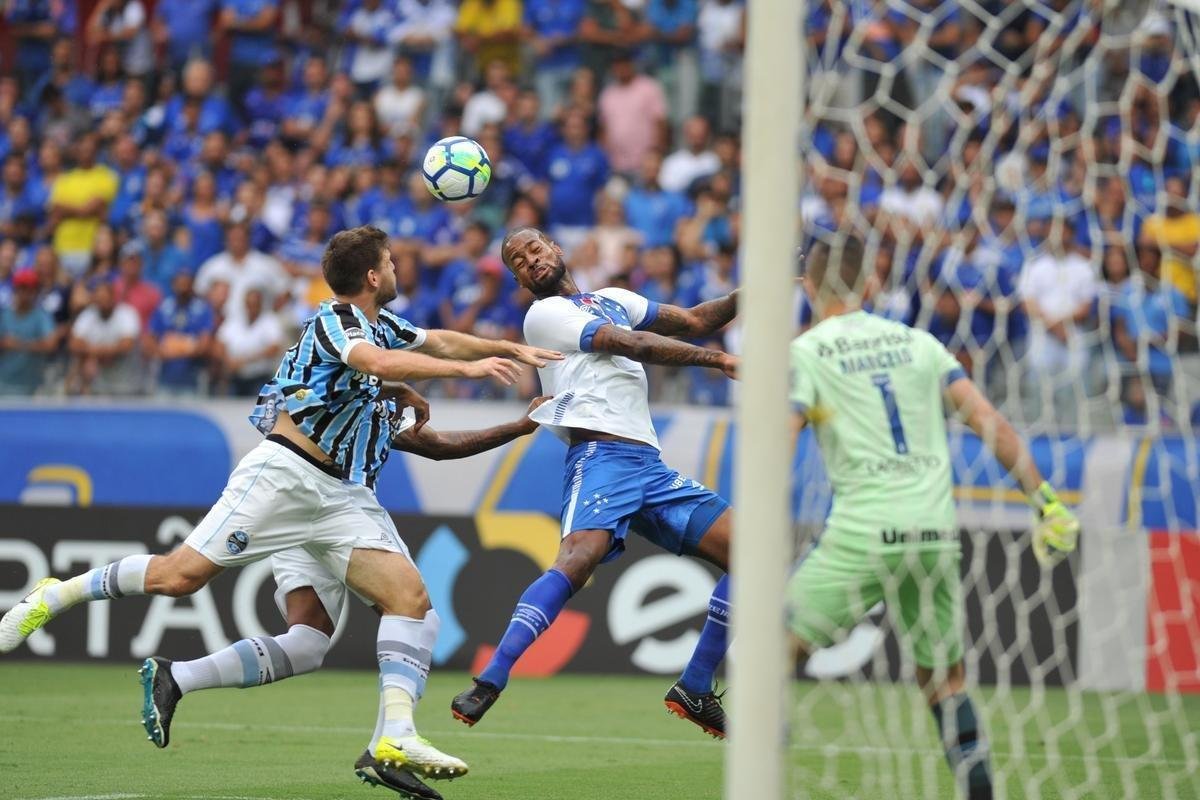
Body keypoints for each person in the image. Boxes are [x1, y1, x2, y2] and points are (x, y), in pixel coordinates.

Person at [0, 226, 559, 789]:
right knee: (180, 577)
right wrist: (465, 373)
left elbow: (435, 343)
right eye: (389, 262)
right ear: (371, 276)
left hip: (343, 498)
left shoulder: (383, 329)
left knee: (390, 609)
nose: (396, 270)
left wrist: (508, 349)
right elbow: (381, 364)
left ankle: (389, 740)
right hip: (285, 477)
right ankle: (57, 593)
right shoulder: (336, 321)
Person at [139, 392, 551, 800]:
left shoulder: (354, 378)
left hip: (295, 506)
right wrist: (481, 378)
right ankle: (387, 748)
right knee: (417, 615)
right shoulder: (350, 367)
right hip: (334, 506)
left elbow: (435, 445)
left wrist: (518, 427)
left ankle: (177, 677)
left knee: (306, 643)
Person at [786, 237, 1081, 800]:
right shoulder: (920, 344)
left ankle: (761, 774)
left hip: (863, 532)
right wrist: (1045, 500)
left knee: (766, 653)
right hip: (934, 532)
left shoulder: (807, 351)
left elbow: (785, 432)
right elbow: (986, 418)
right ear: (870, 284)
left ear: (809, 290)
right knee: (944, 679)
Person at [449, 226, 740, 738]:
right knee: (579, 560)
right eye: (518, 260)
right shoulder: (543, 316)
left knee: (753, 555)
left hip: (648, 464)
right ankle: (492, 679)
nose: (530, 261)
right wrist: (716, 359)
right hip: (600, 453)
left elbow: (694, 319)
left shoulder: (612, 298)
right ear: (518, 279)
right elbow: (628, 344)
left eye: (534, 248)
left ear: (556, 249)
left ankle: (696, 685)